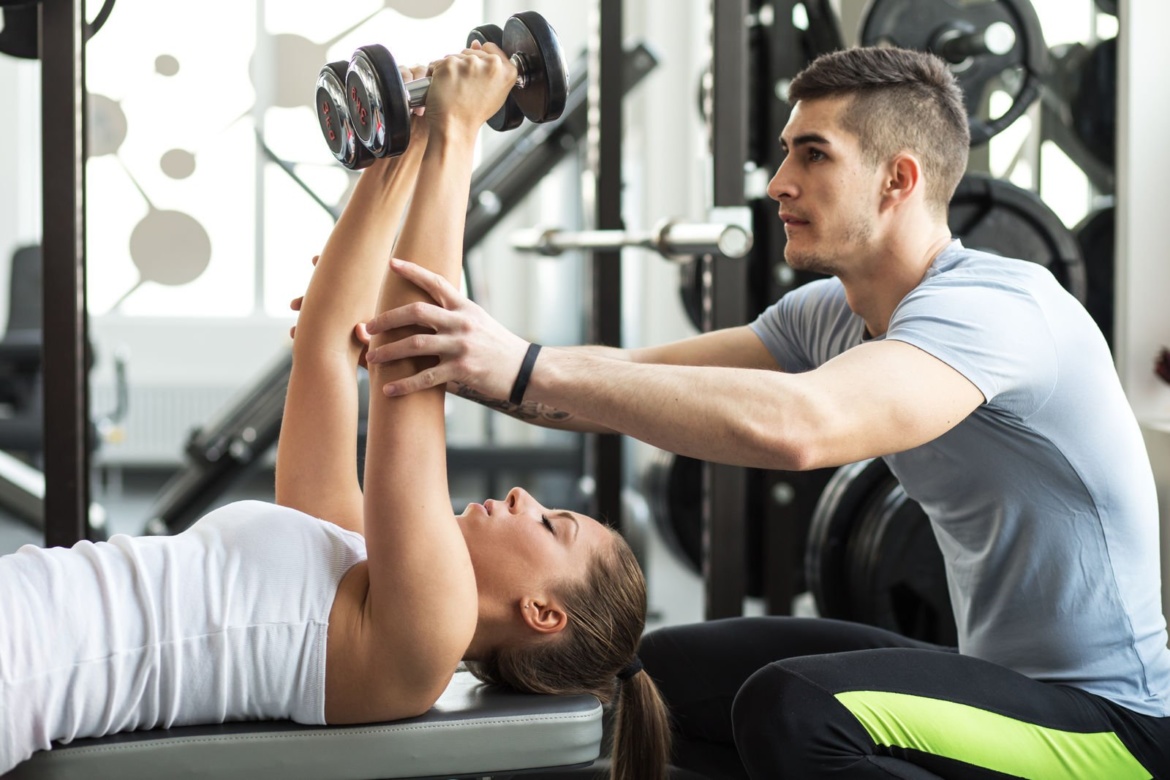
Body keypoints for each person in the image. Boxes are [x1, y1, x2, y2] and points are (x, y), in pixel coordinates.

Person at [359, 46, 1170, 779]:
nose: (778, 181)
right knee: (662, 682)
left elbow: (801, 427)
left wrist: (524, 364)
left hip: (1112, 729)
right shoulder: (829, 312)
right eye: (786, 151)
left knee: (792, 708)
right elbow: (625, 384)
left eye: (813, 155)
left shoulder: (997, 308)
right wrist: (464, 359)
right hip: (997, 682)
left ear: (899, 179)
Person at [0, 44, 669, 780]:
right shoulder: (355, 560)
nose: (524, 498)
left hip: (24, 664)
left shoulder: (427, 639)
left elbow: (410, 364)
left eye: (552, 525)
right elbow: (326, 341)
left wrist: (459, 133)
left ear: (542, 613)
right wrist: (401, 147)